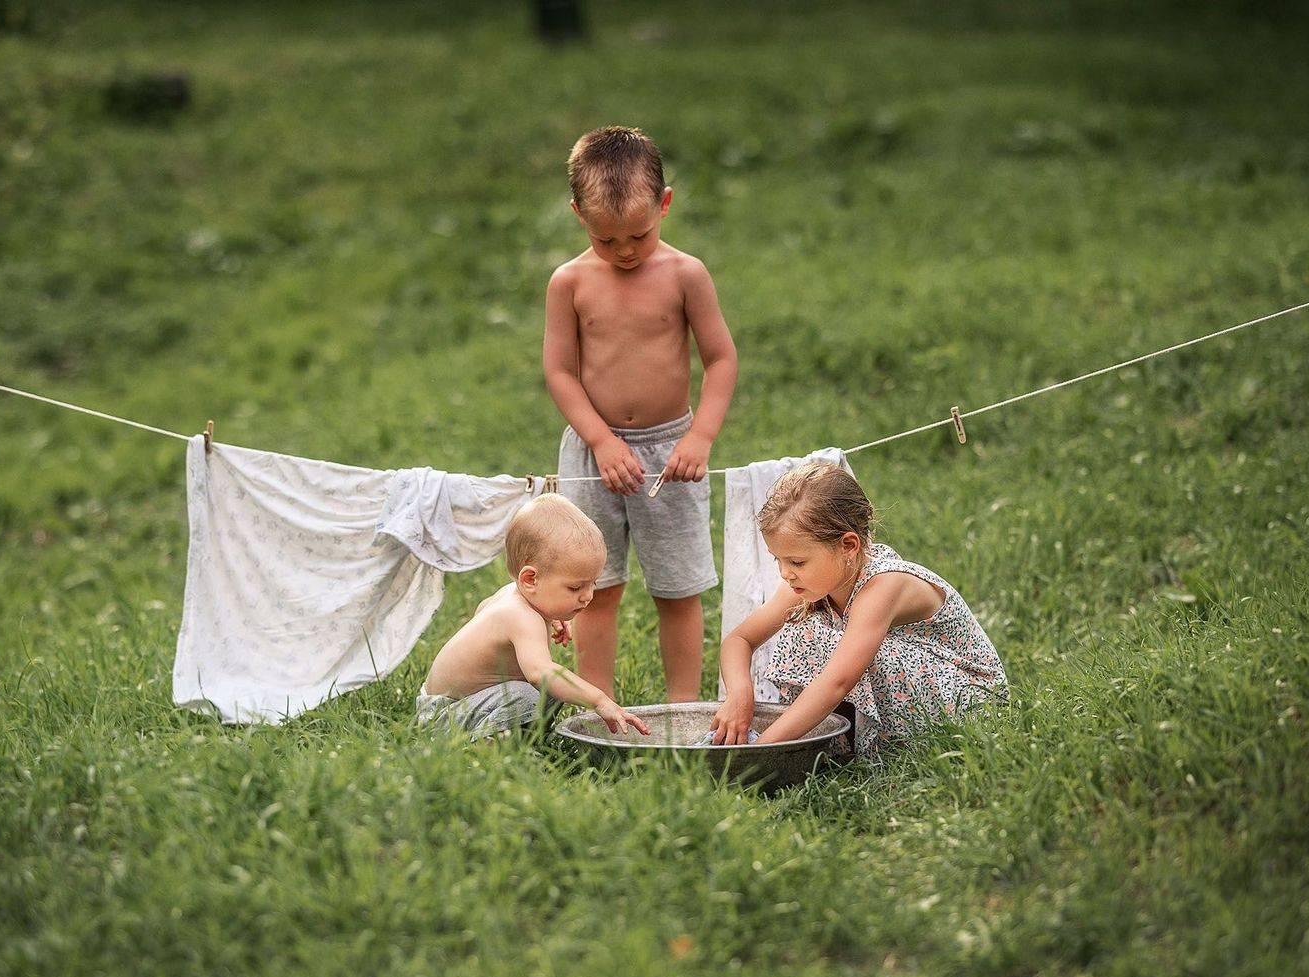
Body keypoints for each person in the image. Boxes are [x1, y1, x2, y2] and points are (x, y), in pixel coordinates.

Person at [543, 125, 739, 702]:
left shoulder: (685, 275)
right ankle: (597, 703)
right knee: (592, 587)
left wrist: (700, 437)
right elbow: (560, 371)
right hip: (593, 453)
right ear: (578, 215)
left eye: (639, 234)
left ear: (665, 204)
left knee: (679, 590)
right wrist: (601, 441)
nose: (625, 250)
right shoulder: (569, 282)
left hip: (670, 455)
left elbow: (721, 359)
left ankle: (684, 706)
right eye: (606, 239)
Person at [710, 463, 1006, 752]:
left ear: (848, 546)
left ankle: (860, 746)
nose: (785, 573)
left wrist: (757, 752)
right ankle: (834, 744)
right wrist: (740, 694)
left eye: (797, 562)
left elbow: (837, 682)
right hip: (918, 690)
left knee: (823, 639)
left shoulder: (884, 585)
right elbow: (740, 639)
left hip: (970, 698)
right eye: (779, 560)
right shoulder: (806, 584)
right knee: (807, 630)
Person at [418, 495, 651, 738]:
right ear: (530, 579)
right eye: (575, 587)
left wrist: (550, 616)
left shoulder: (511, 596)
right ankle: (488, 743)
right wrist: (599, 699)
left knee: (553, 690)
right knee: (537, 690)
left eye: (593, 583)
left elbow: (483, 613)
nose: (588, 596)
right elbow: (540, 673)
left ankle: (520, 736)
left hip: (447, 704)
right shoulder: (521, 616)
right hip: (442, 717)